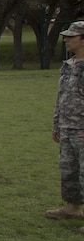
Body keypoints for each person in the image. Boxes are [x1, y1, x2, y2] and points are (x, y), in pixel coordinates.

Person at [44, 20, 84, 227]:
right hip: (68, 127)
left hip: (82, 129)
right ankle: (72, 208)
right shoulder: (68, 65)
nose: (66, 40)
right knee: (68, 169)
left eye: (71, 36)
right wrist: (57, 125)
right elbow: (62, 97)